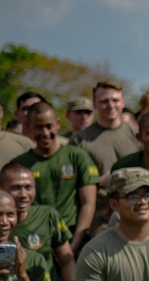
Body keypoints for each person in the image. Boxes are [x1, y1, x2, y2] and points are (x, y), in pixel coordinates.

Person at [13, 102, 99, 252]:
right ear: (28, 126)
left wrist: (73, 246)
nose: (45, 133)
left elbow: (88, 203)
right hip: (35, 242)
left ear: (57, 123)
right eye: (39, 127)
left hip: (73, 238)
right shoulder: (20, 164)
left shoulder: (76, 156)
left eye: (49, 126)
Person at [69, 81, 139, 174]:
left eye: (115, 100)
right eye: (104, 101)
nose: (110, 105)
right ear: (94, 104)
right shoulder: (79, 140)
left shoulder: (137, 134)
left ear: (123, 103)